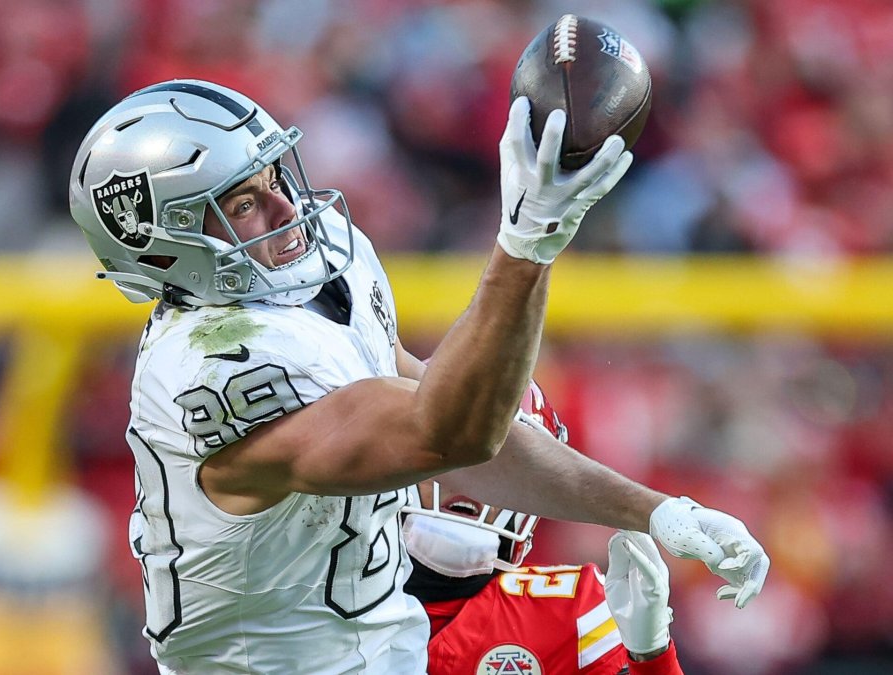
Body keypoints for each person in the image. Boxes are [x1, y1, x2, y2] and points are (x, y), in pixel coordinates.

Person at [68, 79, 769, 674]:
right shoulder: (211, 370)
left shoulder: (327, 265)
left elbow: (462, 427)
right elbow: (446, 434)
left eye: (275, 176)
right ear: (164, 248)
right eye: (243, 204)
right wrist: (525, 246)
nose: (286, 209)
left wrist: (657, 511)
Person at [404, 380, 684, 674]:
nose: (470, 482)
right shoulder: (364, 582)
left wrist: (652, 657)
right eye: (449, 454)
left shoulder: (573, 614)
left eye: (498, 464)